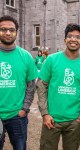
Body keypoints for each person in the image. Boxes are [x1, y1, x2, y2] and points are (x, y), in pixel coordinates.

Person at [37, 23, 80, 150]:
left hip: (74, 121)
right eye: (70, 36)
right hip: (51, 119)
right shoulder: (51, 60)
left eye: (77, 37)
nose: (73, 39)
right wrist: (45, 114)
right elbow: (41, 87)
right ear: (65, 40)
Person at [0, 15, 37, 150]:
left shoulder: (25, 56)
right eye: (3, 29)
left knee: (20, 147)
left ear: (16, 32)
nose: (8, 32)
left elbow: (31, 85)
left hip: (17, 115)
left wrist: (24, 108)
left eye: (11, 29)